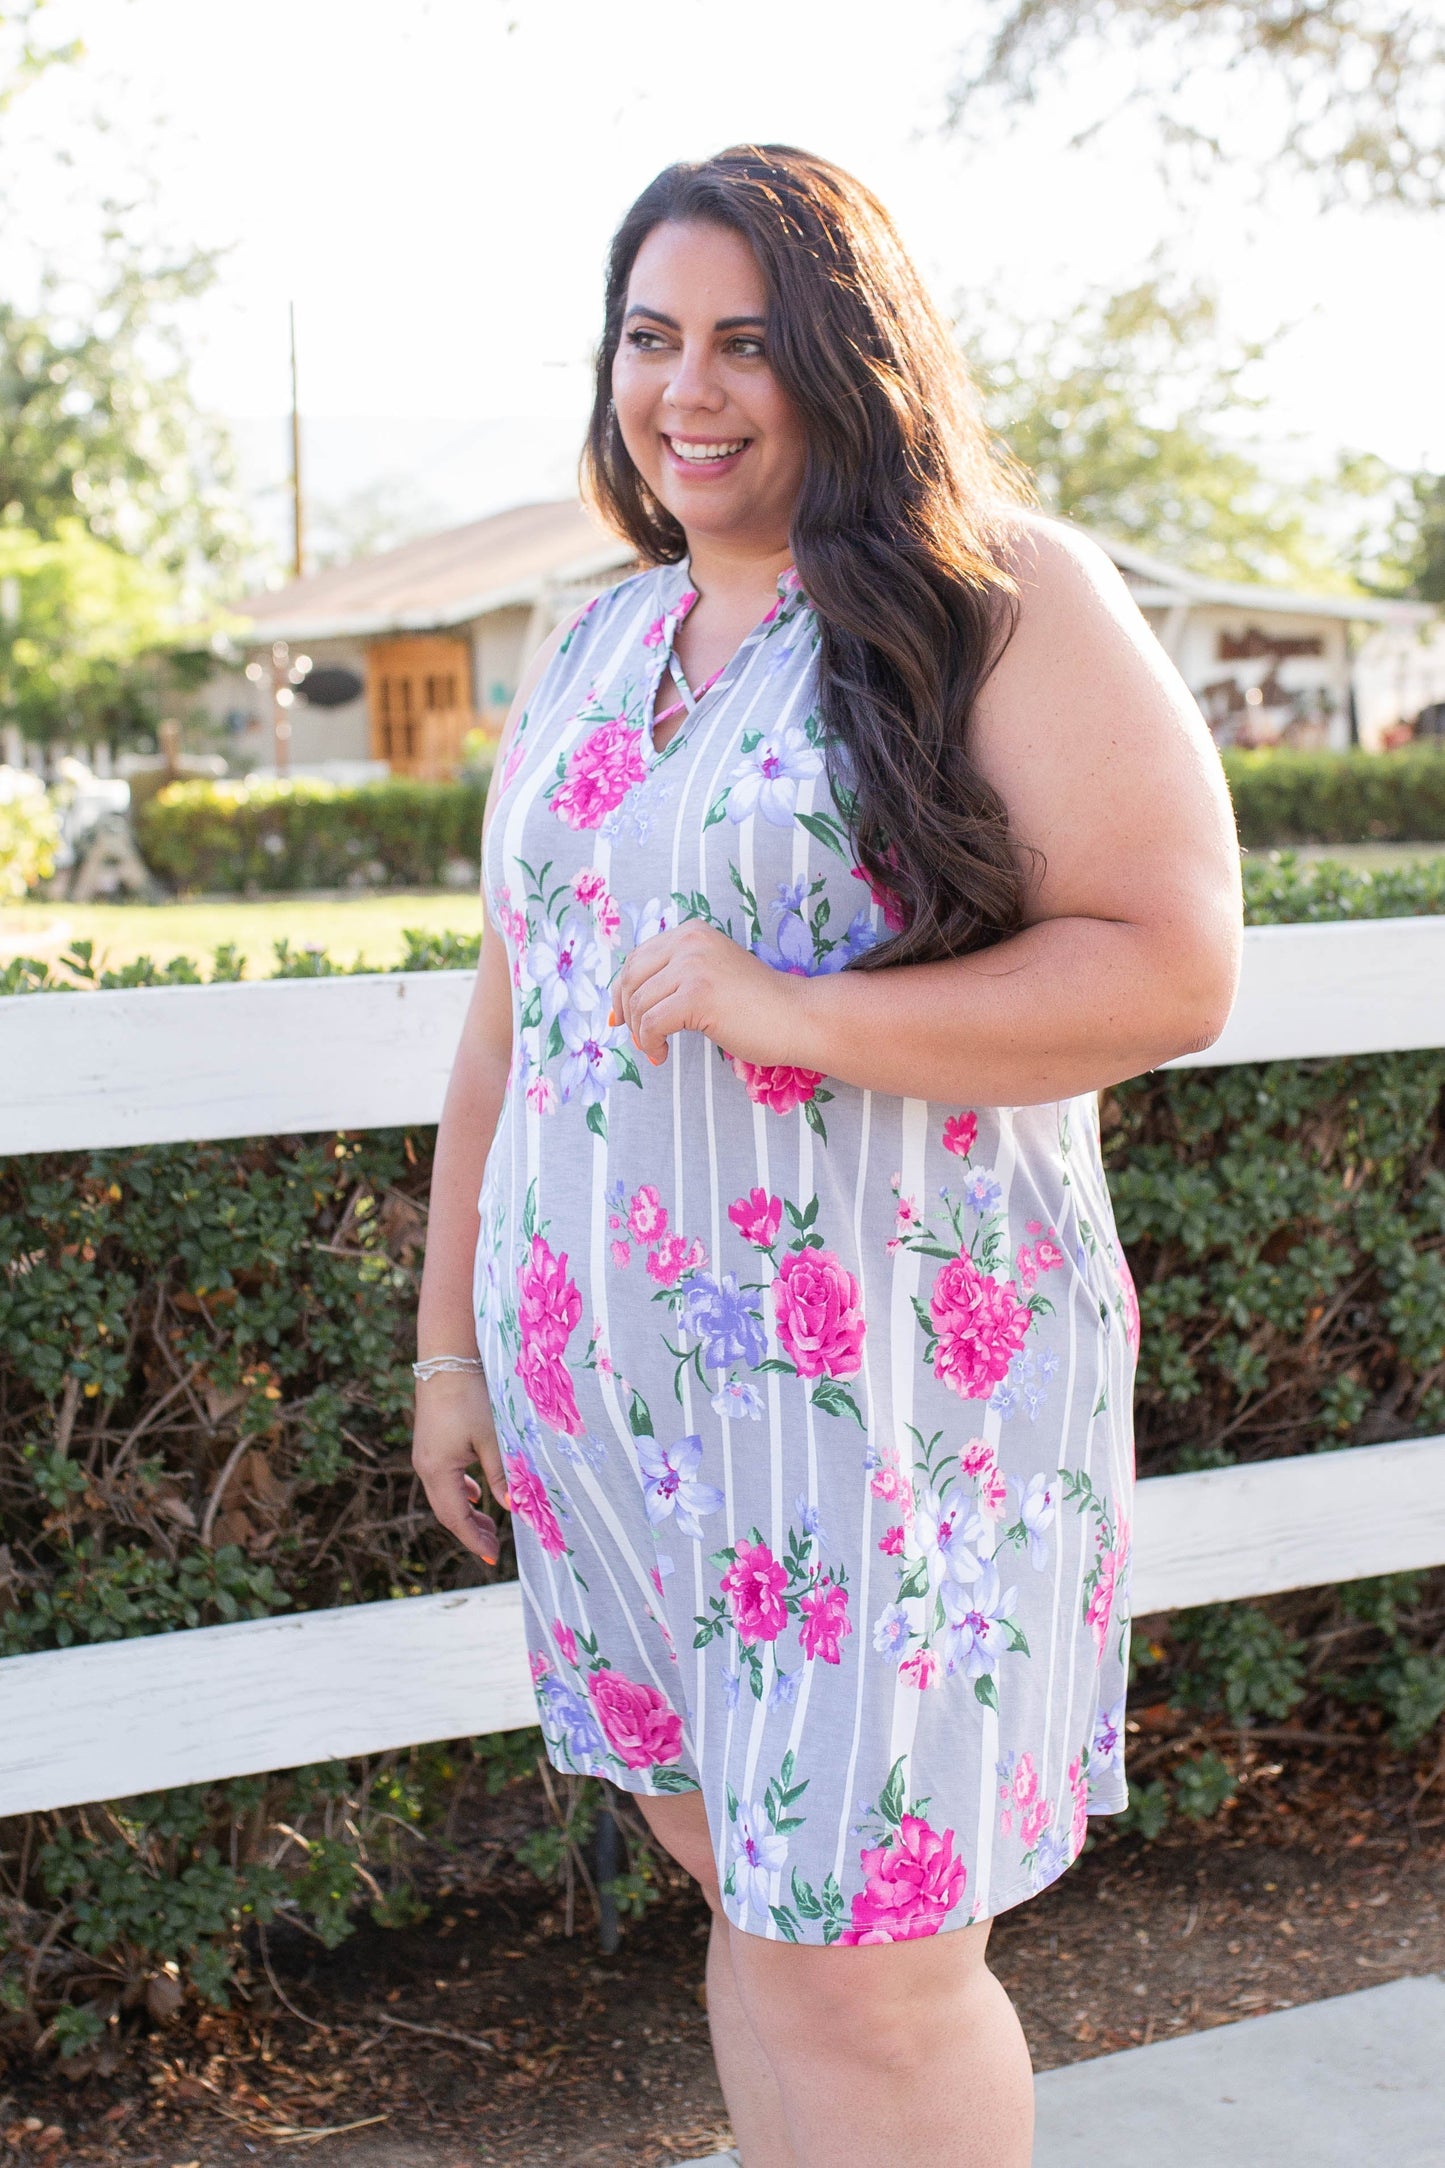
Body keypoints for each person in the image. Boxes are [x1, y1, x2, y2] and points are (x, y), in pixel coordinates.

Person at [413, 144, 1241, 2168]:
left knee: (863, 1960)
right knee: (761, 1918)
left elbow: (1172, 959)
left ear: (849, 363)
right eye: (652, 336)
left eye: (749, 344)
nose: (688, 389)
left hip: (879, 1418)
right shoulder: (593, 648)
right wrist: (451, 1348)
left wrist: (800, 1010)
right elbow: (507, 1033)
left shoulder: (992, 597)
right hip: (609, 1414)